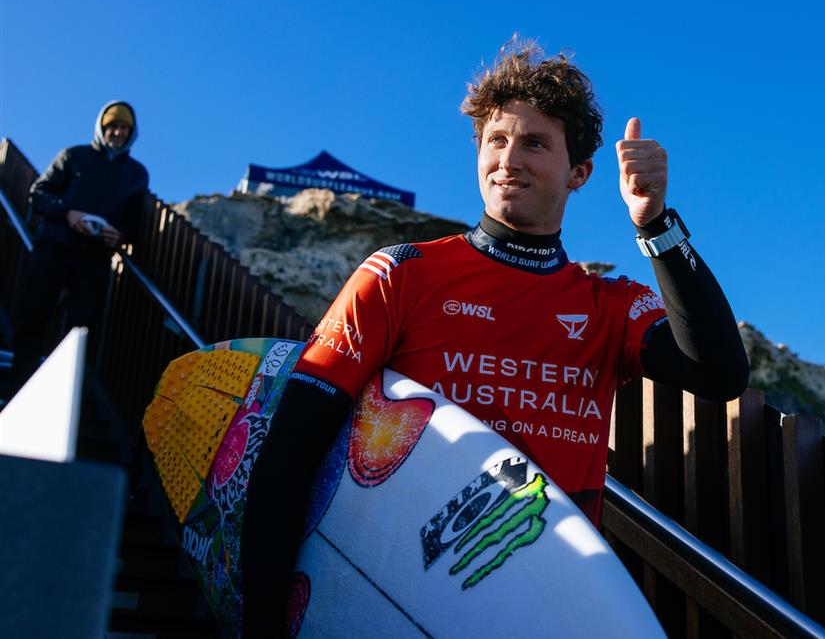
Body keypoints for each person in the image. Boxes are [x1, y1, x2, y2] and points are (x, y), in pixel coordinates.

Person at [240, 40, 750, 636]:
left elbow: (720, 373)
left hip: (543, 609)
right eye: (496, 140)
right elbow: (292, 448)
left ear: (579, 173)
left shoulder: (610, 307)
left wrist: (654, 222)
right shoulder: (401, 273)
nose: (508, 159)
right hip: (395, 597)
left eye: (535, 143)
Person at [7, 100, 148, 392]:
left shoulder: (137, 174)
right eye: (113, 126)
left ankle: (60, 394)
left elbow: (135, 224)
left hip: (94, 260)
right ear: (101, 128)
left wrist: (120, 236)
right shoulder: (74, 155)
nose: (118, 132)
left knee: (80, 330)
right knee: (32, 315)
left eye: (124, 127)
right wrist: (67, 213)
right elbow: (39, 193)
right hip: (54, 246)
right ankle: (18, 386)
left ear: (131, 133)